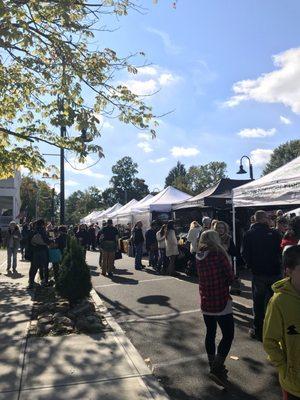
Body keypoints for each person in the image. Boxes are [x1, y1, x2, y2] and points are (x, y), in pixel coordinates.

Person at [196, 230, 235, 387]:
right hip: (221, 299)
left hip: (206, 300)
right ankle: (217, 367)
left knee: (210, 333)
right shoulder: (219, 254)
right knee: (228, 335)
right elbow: (230, 276)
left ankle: (212, 364)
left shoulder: (198, 256)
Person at [263, 245, 300, 400]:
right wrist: (284, 369)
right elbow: (270, 341)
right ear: (288, 271)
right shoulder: (279, 302)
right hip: (294, 383)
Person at [242, 210, 282, 341]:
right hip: (274, 272)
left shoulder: (249, 234)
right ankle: (273, 330)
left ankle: (259, 331)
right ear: (264, 219)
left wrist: (251, 265)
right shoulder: (275, 233)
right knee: (274, 302)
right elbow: (280, 251)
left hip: (259, 273)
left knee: (258, 303)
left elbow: (245, 254)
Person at [28, 219, 51, 288]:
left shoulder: (33, 231)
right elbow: (46, 240)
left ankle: (31, 283)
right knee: (45, 267)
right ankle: (45, 282)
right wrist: (50, 242)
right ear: (43, 224)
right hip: (43, 251)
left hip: (35, 251)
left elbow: (28, 241)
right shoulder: (43, 230)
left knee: (33, 268)